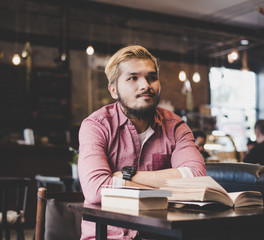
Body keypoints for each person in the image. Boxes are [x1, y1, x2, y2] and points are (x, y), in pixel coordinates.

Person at [78, 45, 206, 239]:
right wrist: (171, 185)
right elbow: (96, 190)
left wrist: (124, 177)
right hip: (108, 236)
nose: (146, 85)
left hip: (159, 235)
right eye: (133, 78)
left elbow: (196, 177)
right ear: (114, 90)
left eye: (151, 77)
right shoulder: (96, 126)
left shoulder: (176, 126)